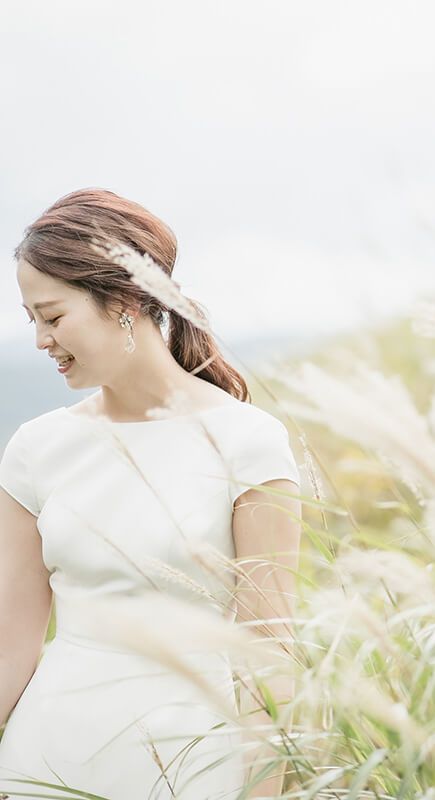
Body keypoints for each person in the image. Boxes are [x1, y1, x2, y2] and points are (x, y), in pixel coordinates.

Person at [0, 190, 301, 799]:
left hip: (196, 766)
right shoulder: (37, 448)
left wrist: (266, 789)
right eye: (31, 318)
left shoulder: (248, 442)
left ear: (124, 302)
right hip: (48, 765)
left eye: (53, 317)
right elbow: (11, 644)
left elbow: (269, 649)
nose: (40, 340)